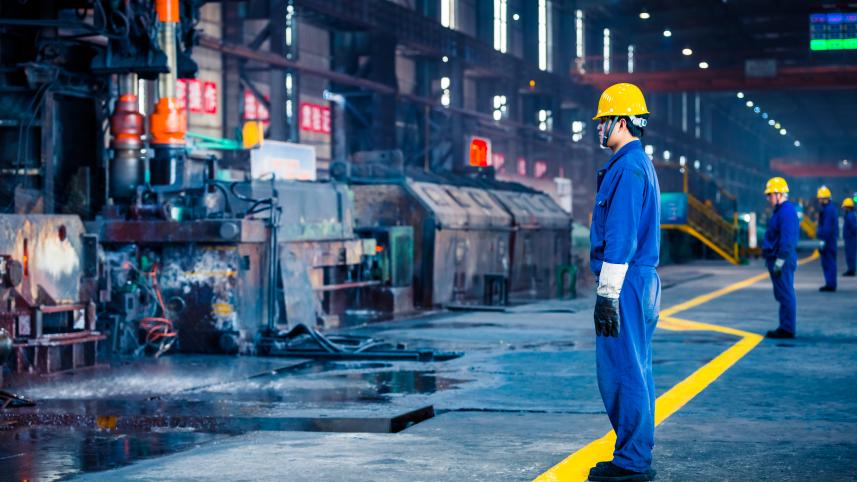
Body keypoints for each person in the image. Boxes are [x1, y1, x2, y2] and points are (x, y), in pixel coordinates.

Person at [588, 83, 660, 482]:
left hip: (627, 281)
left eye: (603, 121)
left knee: (623, 371)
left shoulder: (628, 169)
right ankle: (634, 453)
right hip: (638, 280)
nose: (599, 128)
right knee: (637, 368)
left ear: (621, 121)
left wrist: (608, 294)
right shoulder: (632, 165)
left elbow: (621, 235)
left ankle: (632, 462)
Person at [761, 177, 799, 339]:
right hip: (777, 259)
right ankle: (785, 326)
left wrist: (780, 260)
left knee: (786, 294)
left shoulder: (787, 212)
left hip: (781, 260)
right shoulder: (781, 211)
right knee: (783, 294)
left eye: (770, 195)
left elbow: (788, 239)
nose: (768, 198)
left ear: (779, 194)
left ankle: (787, 329)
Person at [816, 186, 839, 291]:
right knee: (829, 263)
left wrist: (823, 240)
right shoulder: (829, 208)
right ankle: (830, 283)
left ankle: (830, 284)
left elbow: (827, 227)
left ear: (825, 198)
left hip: (828, 241)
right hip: (830, 240)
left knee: (829, 263)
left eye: (820, 198)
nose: (819, 200)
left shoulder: (828, 210)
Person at [843, 197, 856, 277]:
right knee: (850, 255)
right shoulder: (850, 215)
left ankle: (851, 270)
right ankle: (851, 269)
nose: (843, 208)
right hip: (850, 238)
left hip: (851, 238)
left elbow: (854, 227)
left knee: (850, 255)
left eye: (844, 207)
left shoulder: (850, 216)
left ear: (848, 207)